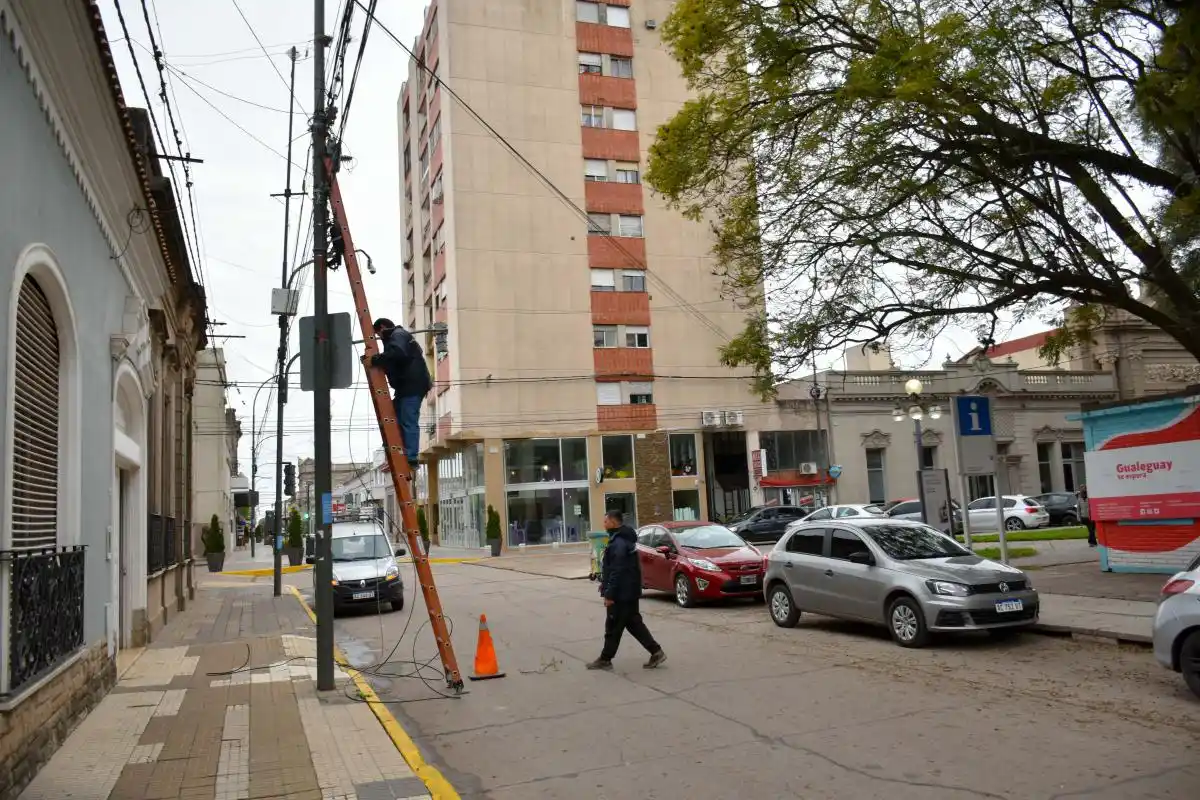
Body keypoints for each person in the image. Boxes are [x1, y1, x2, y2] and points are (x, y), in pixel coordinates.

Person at [587, 510, 666, 671]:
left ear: (614, 523)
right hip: (629, 592)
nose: (604, 524)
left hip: (621, 594)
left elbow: (617, 571)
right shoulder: (623, 539)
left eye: (606, 522)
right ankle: (656, 651)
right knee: (633, 623)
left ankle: (605, 659)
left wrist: (609, 594)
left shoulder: (619, 543)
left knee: (612, 625)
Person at [370, 318, 432, 471]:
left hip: (412, 385)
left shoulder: (398, 335)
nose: (379, 337)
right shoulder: (396, 337)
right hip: (406, 386)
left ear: (383, 327)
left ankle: (410, 457)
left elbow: (398, 354)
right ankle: (397, 450)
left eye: (378, 334)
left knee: (408, 420)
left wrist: (377, 359)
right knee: (393, 416)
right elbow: (394, 361)